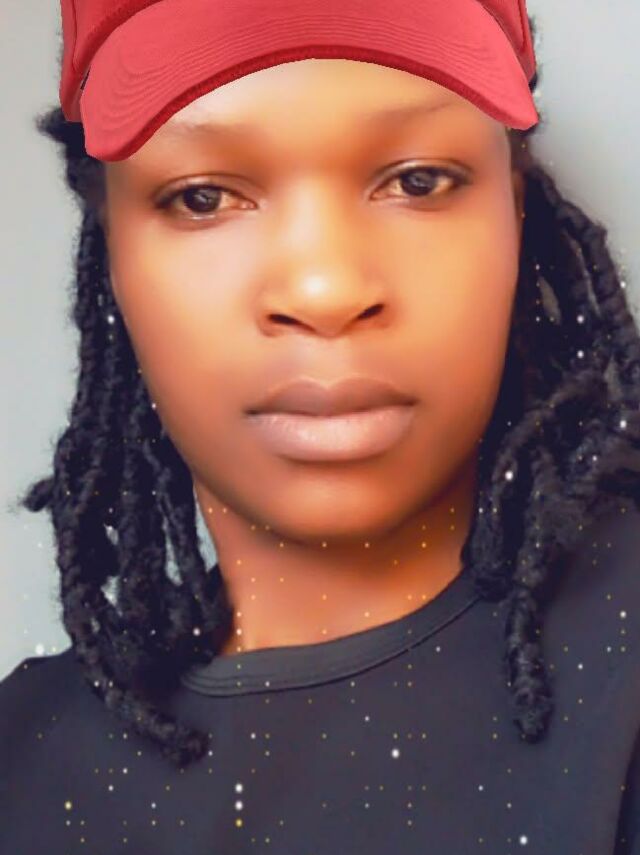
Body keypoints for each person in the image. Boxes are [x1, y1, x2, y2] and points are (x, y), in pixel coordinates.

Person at [1, 0, 640, 852]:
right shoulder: (21, 767)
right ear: (109, 240)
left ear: (514, 209)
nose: (324, 289)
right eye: (203, 196)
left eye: (418, 181)